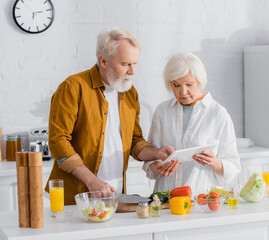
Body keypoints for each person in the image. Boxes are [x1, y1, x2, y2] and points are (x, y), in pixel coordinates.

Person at [45, 29, 173, 205]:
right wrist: (92, 181)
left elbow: (135, 141)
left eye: (135, 63)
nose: (132, 72)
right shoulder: (73, 87)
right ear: (103, 61)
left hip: (115, 196)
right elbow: (58, 142)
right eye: (126, 64)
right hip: (76, 198)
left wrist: (156, 152)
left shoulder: (130, 93)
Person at [142, 52, 241, 194]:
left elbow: (233, 167)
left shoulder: (218, 114)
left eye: (189, 84)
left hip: (200, 202)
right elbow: (150, 157)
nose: (183, 92)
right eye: (176, 85)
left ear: (199, 81)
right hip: (164, 200)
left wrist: (214, 162)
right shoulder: (162, 111)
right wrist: (156, 166)